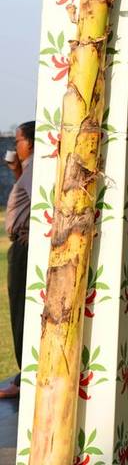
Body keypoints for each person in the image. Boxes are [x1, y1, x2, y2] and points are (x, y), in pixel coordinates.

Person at [1, 121, 34, 399]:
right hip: (22, 244)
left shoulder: (36, 167)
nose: (16, 147)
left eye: (19, 141)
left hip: (25, 246)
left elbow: (42, 204)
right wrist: (16, 171)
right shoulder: (30, 168)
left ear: (31, 143)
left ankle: (25, 378)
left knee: (22, 309)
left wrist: (31, 233)